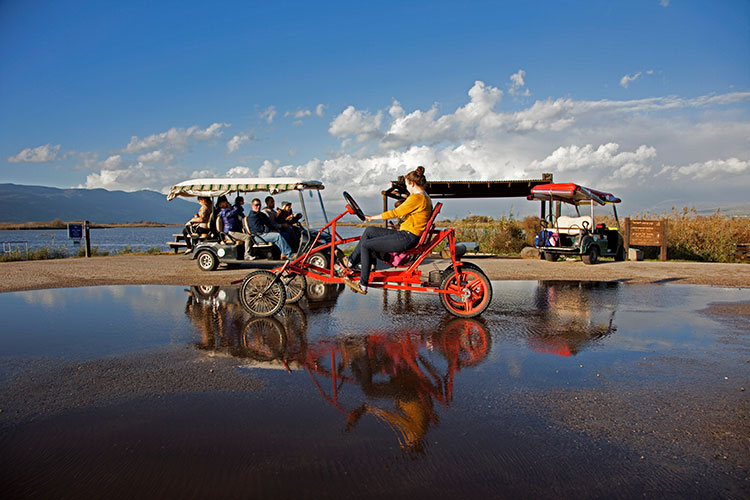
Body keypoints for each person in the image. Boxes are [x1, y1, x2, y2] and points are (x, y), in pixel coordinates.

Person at [343, 166, 432, 294]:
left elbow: (395, 212)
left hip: (407, 237)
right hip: (407, 234)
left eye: (407, 185)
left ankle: (363, 284)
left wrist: (372, 217)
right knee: (370, 231)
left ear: (412, 183)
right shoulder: (425, 196)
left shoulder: (417, 198)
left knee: (367, 246)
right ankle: (351, 261)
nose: (406, 188)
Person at [218, 196, 256, 261]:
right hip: (230, 232)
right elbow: (234, 212)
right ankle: (247, 255)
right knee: (247, 237)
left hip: (232, 230)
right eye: (228, 204)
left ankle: (248, 252)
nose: (230, 205)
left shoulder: (226, 212)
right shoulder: (225, 212)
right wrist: (237, 206)